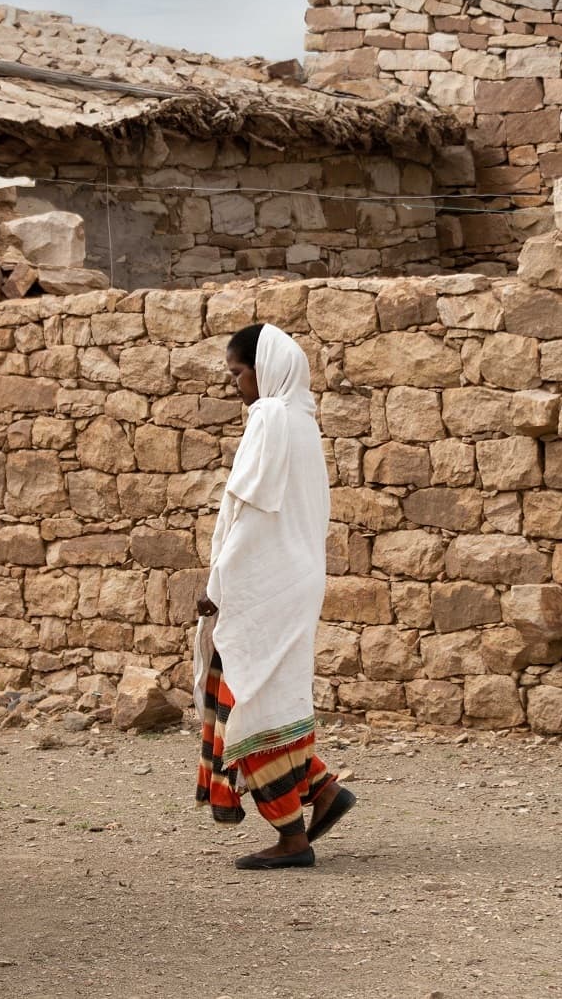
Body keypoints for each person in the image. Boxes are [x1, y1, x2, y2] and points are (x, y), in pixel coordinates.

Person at [194, 322, 356, 870]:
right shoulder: (304, 422)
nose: (236, 386)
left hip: (264, 583)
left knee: (247, 702)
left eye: (238, 373)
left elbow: (248, 515)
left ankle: (291, 834)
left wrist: (218, 584)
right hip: (295, 578)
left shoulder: (269, 418)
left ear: (264, 370)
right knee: (272, 693)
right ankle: (322, 788)